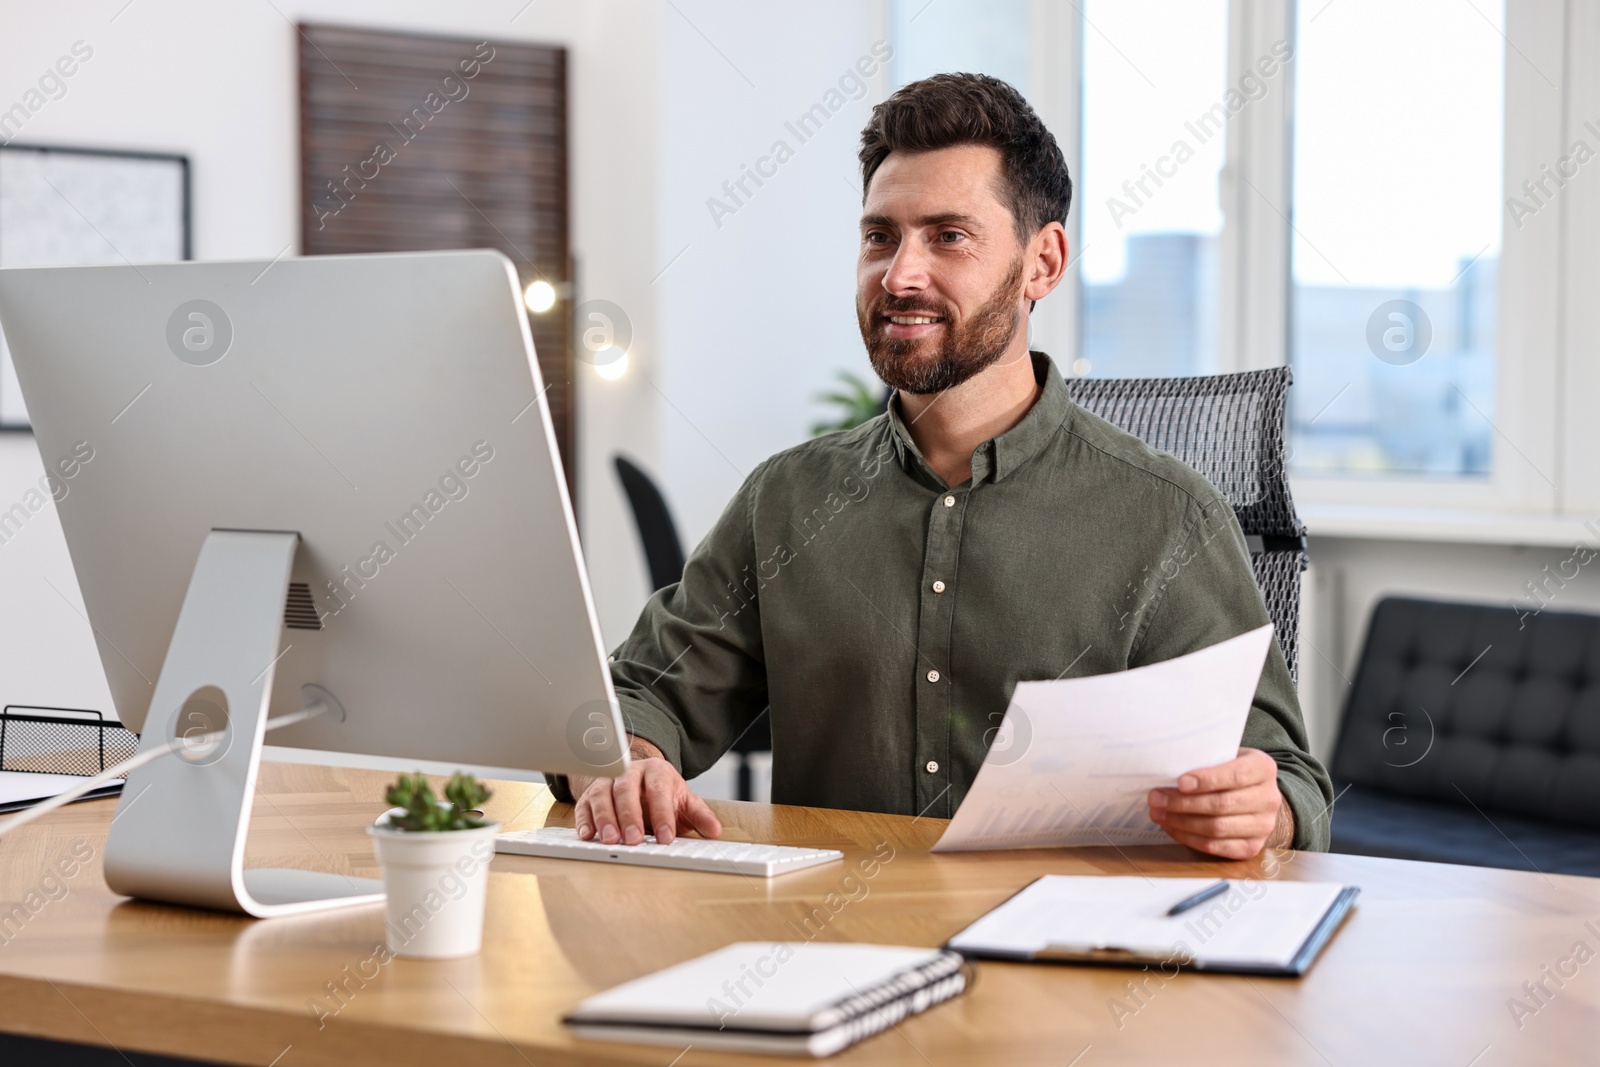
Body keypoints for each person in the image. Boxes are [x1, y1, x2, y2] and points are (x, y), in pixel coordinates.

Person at [558, 73, 1333, 860]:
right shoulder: (786, 500)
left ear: (1043, 263)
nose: (899, 275)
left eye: (948, 236)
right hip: (830, 957)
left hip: (1069, 961)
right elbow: (638, 699)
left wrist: (1260, 809)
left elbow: (1291, 779)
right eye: (879, 236)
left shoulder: (1169, 516)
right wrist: (630, 764)